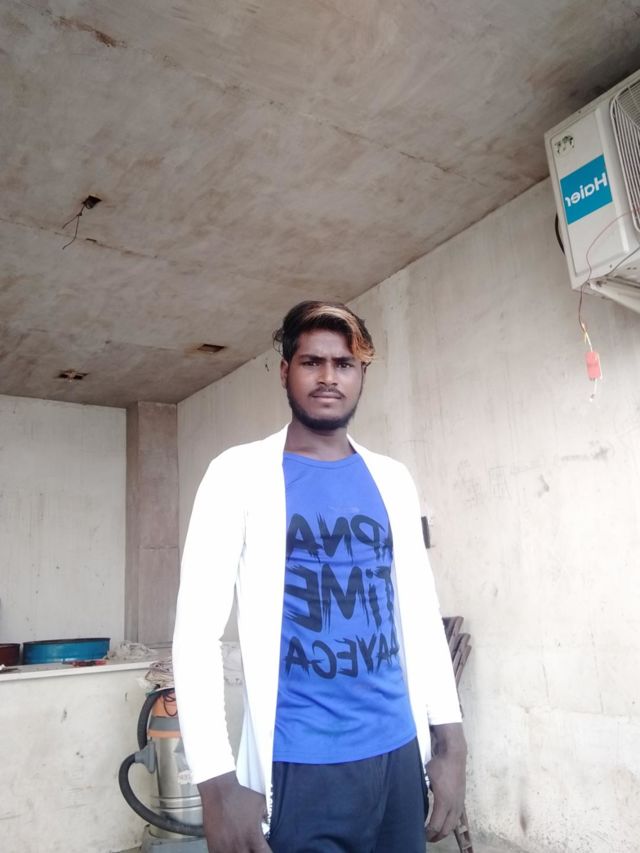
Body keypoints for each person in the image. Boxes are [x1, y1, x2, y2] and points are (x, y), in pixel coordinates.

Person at [172, 300, 467, 853]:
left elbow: (419, 613)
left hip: (398, 755)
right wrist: (215, 782)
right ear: (285, 371)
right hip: (299, 767)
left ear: (361, 375)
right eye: (312, 362)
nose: (329, 377)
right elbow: (196, 633)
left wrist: (450, 741)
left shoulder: (392, 479)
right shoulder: (238, 474)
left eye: (345, 364)